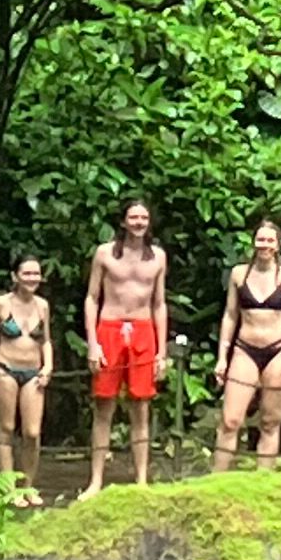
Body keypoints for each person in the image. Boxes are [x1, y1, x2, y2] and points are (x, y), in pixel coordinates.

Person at [83, 198, 170, 492]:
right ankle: (96, 481)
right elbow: (92, 298)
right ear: (123, 221)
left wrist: (162, 351)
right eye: (133, 217)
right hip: (110, 327)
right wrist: (93, 343)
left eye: (143, 218)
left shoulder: (157, 256)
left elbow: (159, 304)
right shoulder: (105, 254)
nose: (138, 222)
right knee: (103, 405)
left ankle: (142, 480)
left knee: (140, 406)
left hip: (144, 330)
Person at [213, 219, 281, 469]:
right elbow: (230, 315)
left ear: (277, 245)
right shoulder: (239, 274)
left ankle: (263, 482)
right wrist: (222, 357)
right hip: (245, 348)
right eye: (260, 239)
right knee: (230, 420)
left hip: (278, 350)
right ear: (253, 242)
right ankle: (214, 480)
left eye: (269, 240)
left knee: (270, 421)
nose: (264, 245)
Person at [0, 254, 55, 492]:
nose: (32, 278)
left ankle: (28, 486)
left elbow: (46, 341)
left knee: (32, 432)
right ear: (15, 276)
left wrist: (48, 366)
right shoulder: (1, 304)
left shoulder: (42, 305)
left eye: (36, 274)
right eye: (27, 273)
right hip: (5, 369)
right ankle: (8, 487)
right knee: (7, 428)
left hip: (33, 372)